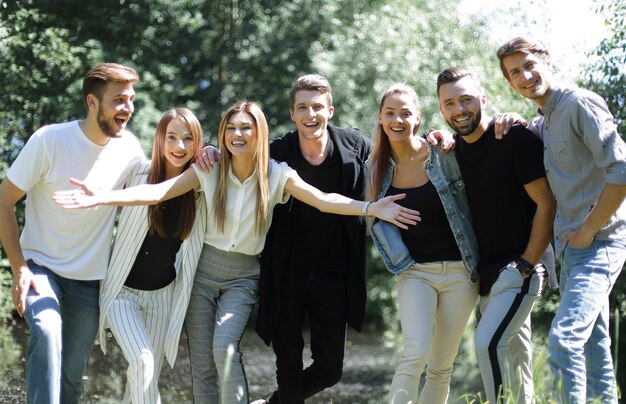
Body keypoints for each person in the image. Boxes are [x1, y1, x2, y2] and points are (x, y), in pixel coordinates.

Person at [53, 100, 418, 403]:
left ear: (259, 133)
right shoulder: (209, 170)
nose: (238, 135)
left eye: (246, 128)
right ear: (222, 135)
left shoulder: (278, 174)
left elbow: (323, 200)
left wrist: (371, 208)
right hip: (200, 275)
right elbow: (159, 193)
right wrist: (100, 198)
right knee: (201, 364)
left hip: (243, 277)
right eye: (231, 128)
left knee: (224, 348)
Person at [0, 63, 145, 404]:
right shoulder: (49, 141)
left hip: (90, 281)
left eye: (132, 99)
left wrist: (205, 154)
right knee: (47, 331)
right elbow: (4, 199)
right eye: (119, 100)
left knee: (71, 380)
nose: (128, 109)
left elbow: (156, 185)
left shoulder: (129, 149)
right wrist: (19, 266)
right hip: (40, 269)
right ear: (93, 102)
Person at [497, 37, 626, 403]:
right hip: (573, 251)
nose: (524, 76)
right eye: (514, 72)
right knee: (593, 347)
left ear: (547, 60)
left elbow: (621, 170)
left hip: (599, 243)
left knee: (564, 341)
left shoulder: (578, 103)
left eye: (529, 64)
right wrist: (517, 121)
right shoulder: (546, 120)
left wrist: (588, 230)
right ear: (509, 83)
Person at [436, 67, 556, 403]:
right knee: (517, 363)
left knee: (488, 345)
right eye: (449, 104)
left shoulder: (513, 139)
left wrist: (525, 266)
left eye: (466, 100)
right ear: (441, 109)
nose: (459, 110)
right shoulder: (450, 153)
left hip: (520, 269)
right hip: (487, 275)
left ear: (483, 99)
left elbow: (547, 205)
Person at [253, 74, 372, 404]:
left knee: (330, 370)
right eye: (302, 107)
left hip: (335, 276)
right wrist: (208, 148)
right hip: (285, 273)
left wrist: (433, 138)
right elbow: (235, 151)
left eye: (317, 107)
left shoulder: (354, 144)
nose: (310, 115)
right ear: (292, 113)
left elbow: (393, 156)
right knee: (287, 368)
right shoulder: (276, 151)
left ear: (330, 110)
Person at [366, 83, 480, 404]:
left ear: (418, 117)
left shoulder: (443, 154)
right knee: (414, 353)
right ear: (380, 118)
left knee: (441, 366)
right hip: (415, 272)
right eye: (390, 113)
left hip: (461, 271)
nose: (397, 120)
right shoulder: (373, 168)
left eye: (405, 112)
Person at [97, 108, 206, 403]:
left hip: (162, 297)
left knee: (146, 377)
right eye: (171, 137)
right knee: (143, 361)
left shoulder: (199, 188)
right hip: (122, 293)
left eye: (187, 139)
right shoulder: (137, 173)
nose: (178, 146)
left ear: (197, 143)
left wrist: (213, 153)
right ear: (159, 139)